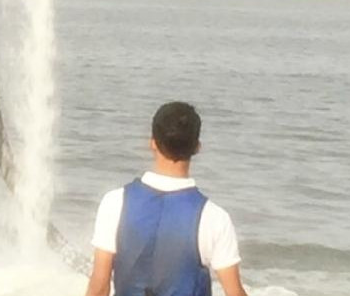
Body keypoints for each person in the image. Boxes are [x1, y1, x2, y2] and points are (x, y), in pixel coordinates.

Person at [85, 102, 249, 296]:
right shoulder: (214, 217)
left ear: (152, 142)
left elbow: (99, 287)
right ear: (197, 147)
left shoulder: (115, 202)